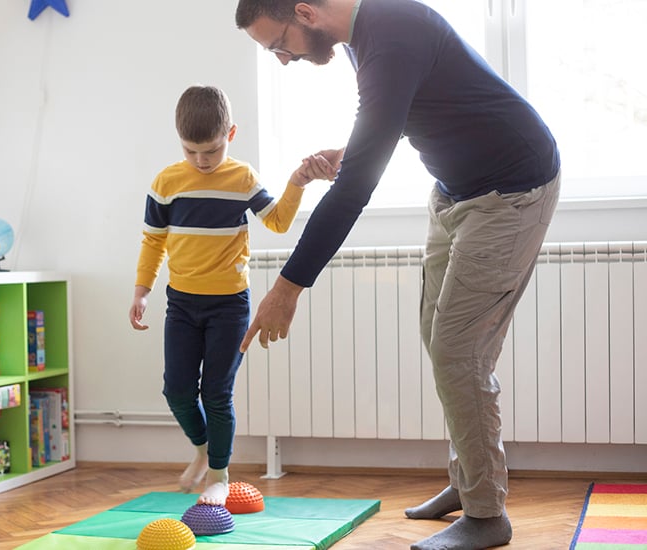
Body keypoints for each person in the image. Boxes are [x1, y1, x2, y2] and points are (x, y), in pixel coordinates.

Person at [234, 1, 561, 548]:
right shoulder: (361, 38)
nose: (284, 60)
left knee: (459, 352)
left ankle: (487, 515)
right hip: (455, 193)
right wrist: (355, 149)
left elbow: (353, 191)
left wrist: (287, 289)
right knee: (441, 342)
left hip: (512, 193)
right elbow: (411, 109)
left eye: (279, 46)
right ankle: (470, 482)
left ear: (305, 12)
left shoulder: (391, 31)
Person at [129, 85, 332, 506]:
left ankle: (219, 475)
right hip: (181, 304)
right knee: (177, 391)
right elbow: (153, 240)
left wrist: (297, 182)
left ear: (231, 135)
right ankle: (203, 448)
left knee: (216, 393)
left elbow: (277, 222)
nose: (201, 161)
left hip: (229, 305)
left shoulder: (242, 178)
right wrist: (142, 290)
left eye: (212, 151)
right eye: (191, 151)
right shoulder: (166, 183)